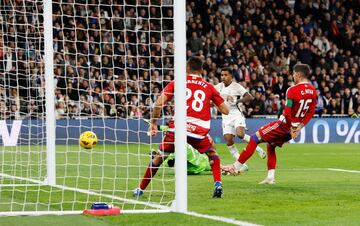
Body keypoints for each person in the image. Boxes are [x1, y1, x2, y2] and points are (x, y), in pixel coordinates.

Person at [133, 56, 229, 198]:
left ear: (186, 68)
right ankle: (218, 185)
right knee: (212, 152)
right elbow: (225, 111)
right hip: (198, 129)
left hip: (178, 128)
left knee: (159, 158)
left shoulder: (177, 82)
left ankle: (140, 190)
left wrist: (153, 123)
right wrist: (209, 101)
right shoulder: (209, 87)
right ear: (202, 70)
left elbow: (158, 104)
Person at [224, 64, 316, 184]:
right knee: (270, 146)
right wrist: (298, 128)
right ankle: (270, 177)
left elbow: (287, 112)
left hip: (283, 125)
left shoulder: (292, 90)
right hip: (292, 129)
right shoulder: (313, 91)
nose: (293, 76)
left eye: (293, 74)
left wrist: (292, 127)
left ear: (298, 74)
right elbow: (310, 112)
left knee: (254, 138)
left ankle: (235, 167)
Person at [215, 67, 267, 169]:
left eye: (225, 75)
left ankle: (257, 148)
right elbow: (210, 93)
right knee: (228, 140)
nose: (223, 77)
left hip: (236, 114)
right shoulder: (218, 87)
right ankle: (241, 164)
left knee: (240, 134)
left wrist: (236, 101)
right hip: (225, 116)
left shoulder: (236, 86)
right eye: (222, 75)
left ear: (231, 76)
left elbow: (250, 97)